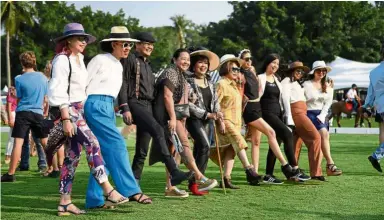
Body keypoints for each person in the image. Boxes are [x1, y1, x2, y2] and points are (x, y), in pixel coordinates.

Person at [46, 23, 129, 215]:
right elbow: (57, 90)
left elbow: (83, 88)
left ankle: (64, 202)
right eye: (79, 38)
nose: (83, 42)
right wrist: (66, 118)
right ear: (68, 40)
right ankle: (107, 189)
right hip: (67, 110)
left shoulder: (79, 59)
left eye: (85, 38)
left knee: (72, 157)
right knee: (93, 143)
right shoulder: (62, 60)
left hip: (80, 109)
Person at [85, 26, 153, 208]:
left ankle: (95, 199)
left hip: (107, 107)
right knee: (118, 144)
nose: (127, 48)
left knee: (105, 153)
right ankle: (132, 190)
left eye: (130, 45)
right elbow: (85, 85)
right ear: (113, 44)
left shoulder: (118, 64)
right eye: (124, 44)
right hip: (94, 105)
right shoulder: (99, 60)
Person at [118, 32, 190, 190]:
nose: (150, 46)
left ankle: (132, 186)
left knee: (142, 149)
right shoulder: (130, 59)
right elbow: (122, 82)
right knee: (157, 130)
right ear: (137, 45)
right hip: (135, 103)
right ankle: (174, 171)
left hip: (148, 106)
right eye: (146, 43)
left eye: (152, 44)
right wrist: (125, 107)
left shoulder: (147, 64)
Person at [152, 49, 218, 197]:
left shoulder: (181, 75)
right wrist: (174, 119)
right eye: (183, 59)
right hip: (168, 118)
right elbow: (167, 96)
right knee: (183, 147)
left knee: (173, 152)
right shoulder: (171, 72)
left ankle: (170, 187)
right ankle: (199, 177)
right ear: (174, 59)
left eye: (188, 59)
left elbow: (186, 98)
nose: (186, 62)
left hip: (174, 118)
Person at [258, 54, 310, 183]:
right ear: (267, 63)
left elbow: (281, 99)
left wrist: (285, 116)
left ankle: (268, 174)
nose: (275, 65)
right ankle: (295, 169)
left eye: (277, 63)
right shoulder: (260, 78)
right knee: (288, 134)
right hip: (266, 113)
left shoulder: (276, 79)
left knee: (276, 143)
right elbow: (257, 97)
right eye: (273, 62)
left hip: (277, 113)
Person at [1, 51, 48, 182]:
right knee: (45, 142)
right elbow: (45, 97)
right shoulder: (43, 77)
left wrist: (14, 94)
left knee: (18, 143)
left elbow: (20, 98)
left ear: (22, 63)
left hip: (23, 113)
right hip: (38, 112)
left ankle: (10, 174)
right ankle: (54, 168)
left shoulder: (18, 79)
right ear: (34, 62)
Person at [185, 48, 221, 195]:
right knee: (205, 146)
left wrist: (217, 113)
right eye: (200, 62)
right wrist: (207, 114)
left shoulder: (211, 82)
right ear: (194, 65)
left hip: (209, 120)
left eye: (205, 63)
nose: (203, 65)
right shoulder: (188, 82)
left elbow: (215, 100)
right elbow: (189, 105)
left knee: (201, 150)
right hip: (194, 119)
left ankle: (194, 184)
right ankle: (199, 179)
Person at [281, 61, 324, 181]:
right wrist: (288, 116)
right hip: (296, 112)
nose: (300, 73)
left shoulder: (296, 83)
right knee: (315, 137)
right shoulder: (286, 82)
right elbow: (285, 99)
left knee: (296, 143)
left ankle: (292, 173)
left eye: (301, 71)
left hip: (301, 111)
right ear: (291, 71)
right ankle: (316, 172)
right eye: (297, 71)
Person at [301, 60, 342, 176]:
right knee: (323, 135)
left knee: (324, 136)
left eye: (324, 71)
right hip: (308, 113)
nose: (322, 73)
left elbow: (328, 102)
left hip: (322, 114)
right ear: (313, 72)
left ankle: (325, 167)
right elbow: (302, 101)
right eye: (319, 70)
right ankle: (330, 164)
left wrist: (323, 115)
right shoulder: (306, 84)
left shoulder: (327, 85)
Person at [364, 41, 384, 173]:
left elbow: (370, 93)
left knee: (383, 133)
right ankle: (376, 155)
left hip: (380, 106)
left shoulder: (374, 72)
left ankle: (379, 156)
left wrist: (366, 106)